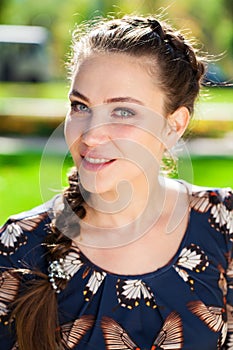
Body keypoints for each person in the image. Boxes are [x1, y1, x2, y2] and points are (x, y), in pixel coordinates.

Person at [0, 13, 232, 350]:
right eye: (80, 106)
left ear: (174, 125)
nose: (91, 135)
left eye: (123, 111)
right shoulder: (21, 244)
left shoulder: (223, 223)